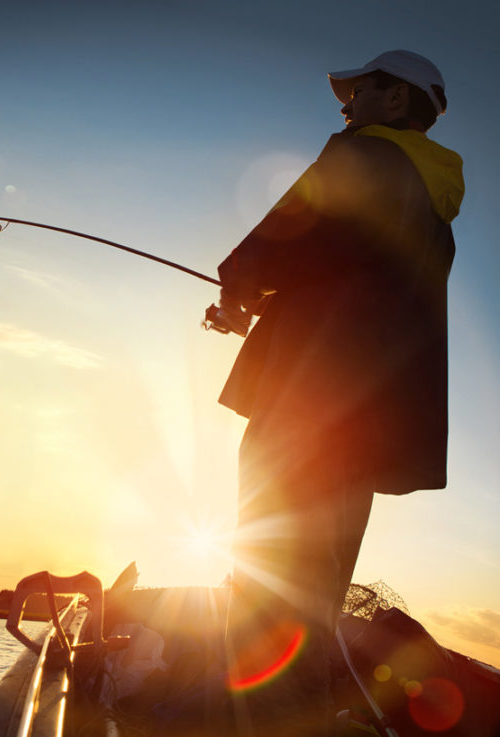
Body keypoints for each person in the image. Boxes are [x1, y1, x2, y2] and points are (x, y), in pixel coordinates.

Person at [210, 50, 464, 736]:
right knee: (317, 587)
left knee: (271, 573)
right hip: (369, 419)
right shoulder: (435, 210)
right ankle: (303, 715)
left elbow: (288, 235)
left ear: (394, 99)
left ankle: (263, 723)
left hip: (306, 397)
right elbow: (354, 278)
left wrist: (238, 286)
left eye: (359, 91)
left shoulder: (362, 156)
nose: (346, 104)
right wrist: (257, 301)